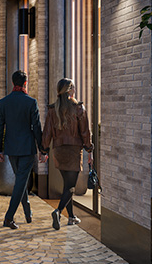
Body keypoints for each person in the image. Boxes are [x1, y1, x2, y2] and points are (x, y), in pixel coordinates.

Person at [0, 70, 46, 230]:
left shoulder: (4, 102)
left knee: (20, 181)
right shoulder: (31, 102)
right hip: (27, 148)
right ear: (25, 83)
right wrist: (42, 150)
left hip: (11, 148)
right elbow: (37, 128)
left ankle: (27, 210)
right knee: (20, 181)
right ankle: (8, 218)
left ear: (12, 83)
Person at [42, 78, 93, 229]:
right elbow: (85, 132)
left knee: (67, 185)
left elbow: (46, 133)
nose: (75, 90)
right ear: (70, 90)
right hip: (73, 151)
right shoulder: (78, 108)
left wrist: (44, 150)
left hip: (58, 151)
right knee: (71, 187)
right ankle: (57, 212)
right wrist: (89, 149)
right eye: (74, 88)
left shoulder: (52, 110)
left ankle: (71, 217)